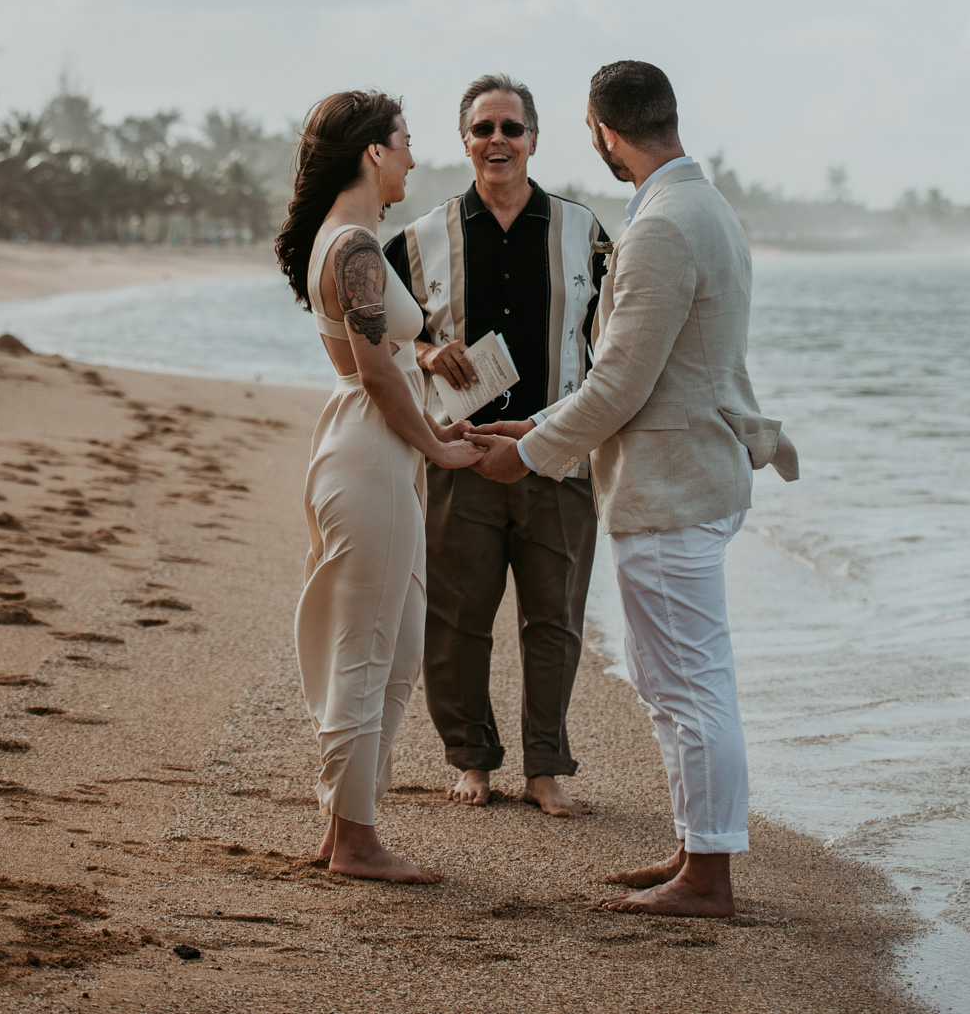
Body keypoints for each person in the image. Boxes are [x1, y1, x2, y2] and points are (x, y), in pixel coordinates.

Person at [471, 60, 798, 916]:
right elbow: (648, 372)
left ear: (601, 131)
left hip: (671, 487)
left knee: (686, 685)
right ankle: (696, 850)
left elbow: (621, 382)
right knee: (677, 681)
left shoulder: (662, 226)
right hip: (694, 476)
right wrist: (534, 424)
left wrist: (531, 452)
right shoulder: (707, 207)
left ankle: (709, 875)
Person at [384, 73, 608, 817]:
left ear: (535, 140)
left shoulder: (590, 235)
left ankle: (546, 767)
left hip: (557, 454)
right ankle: (472, 760)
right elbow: (369, 326)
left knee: (555, 619)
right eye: (483, 129)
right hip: (462, 452)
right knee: (457, 618)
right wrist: (421, 352)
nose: (498, 141)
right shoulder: (416, 241)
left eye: (512, 128)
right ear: (466, 142)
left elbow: (618, 346)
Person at [276, 91, 484, 884]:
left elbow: (387, 367)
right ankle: (357, 842)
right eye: (403, 143)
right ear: (372, 152)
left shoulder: (347, 239)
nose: (411, 158)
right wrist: (435, 444)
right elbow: (374, 372)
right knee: (369, 646)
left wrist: (432, 423)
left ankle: (343, 827)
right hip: (371, 449)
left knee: (393, 645)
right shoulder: (356, 245)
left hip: (369, 445)